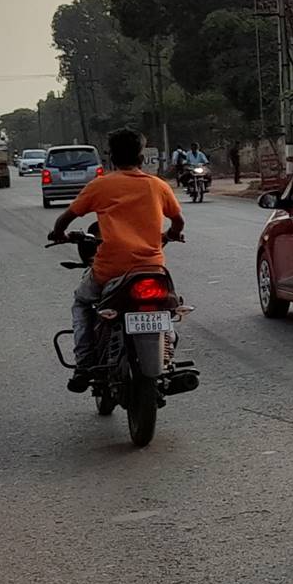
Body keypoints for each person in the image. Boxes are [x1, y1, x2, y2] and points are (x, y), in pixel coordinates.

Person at [48, 129, 184, 392]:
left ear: (111, 158)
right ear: (141, 158)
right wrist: (171, 235)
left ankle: (84, 363)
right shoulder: (157, 185)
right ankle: (167, 353)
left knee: (82, 302)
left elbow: (66, 218)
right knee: (167, 306)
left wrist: (58, 234)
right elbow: (178, 221)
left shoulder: (100, 186)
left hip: (109, 271)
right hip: (153, 269)